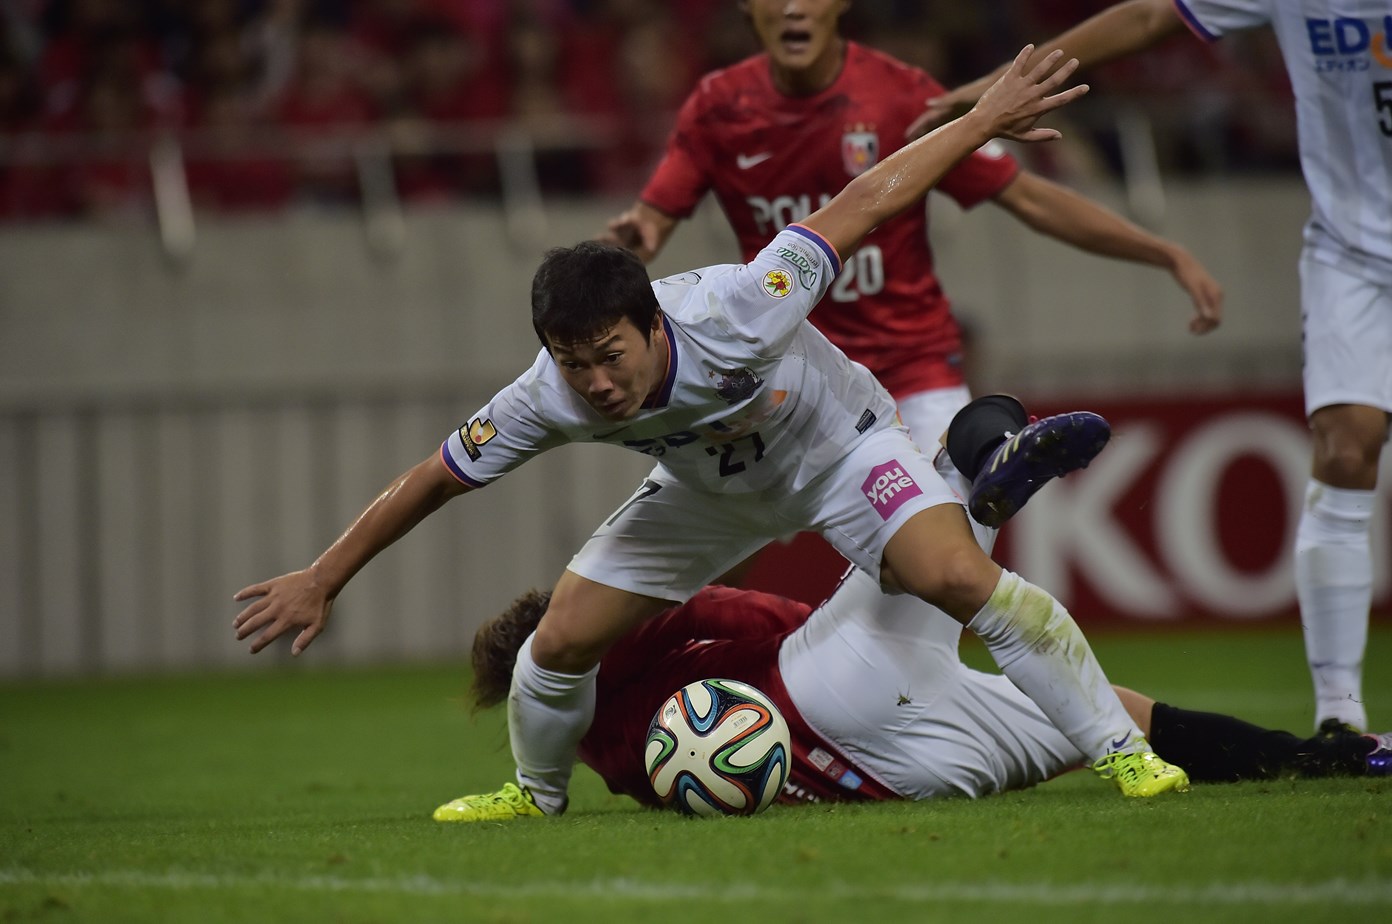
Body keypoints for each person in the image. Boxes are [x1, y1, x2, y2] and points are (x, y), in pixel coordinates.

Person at [234, 48, 1189, 824]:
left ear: (654, 325)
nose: (597, 384)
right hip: (706, 492)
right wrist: (325, 575)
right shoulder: (549, 393)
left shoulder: (740, 306)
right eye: (575, 365)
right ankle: (535, 796)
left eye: (611, 355)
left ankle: (1122, 755)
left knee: (953, 578)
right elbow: (436, 477)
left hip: (839, 453)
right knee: (560, 640)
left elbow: (869, 200)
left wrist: (978, 121)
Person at [923, 0, 1390, 737]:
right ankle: (1339, 716)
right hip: (1350, 251)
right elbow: (1147, 17)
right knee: (1345, 446)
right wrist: (1007, 81)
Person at [601, 0, 1225, 480]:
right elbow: (656, 213)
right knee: (719, 524)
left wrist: (1162, 251)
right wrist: (642, 231)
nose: (793, 7)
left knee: (947, 554)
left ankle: (980, 455)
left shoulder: (901, 96)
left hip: (913, 367)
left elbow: (1028, 196)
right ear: (747, 9)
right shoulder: (718, 107)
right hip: (788, 372)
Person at [458, 570, 1392, 816]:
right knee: (1106, 709)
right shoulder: (658, 616)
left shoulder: (610, 758)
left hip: (890, 772)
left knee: (1093, 719)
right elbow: (764, 617)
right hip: (839, 680)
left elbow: (692, 780)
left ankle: (1335, 758)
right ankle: (976, 463)